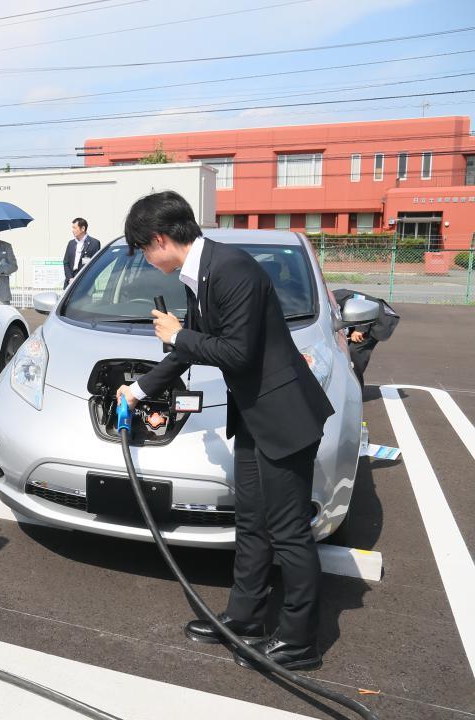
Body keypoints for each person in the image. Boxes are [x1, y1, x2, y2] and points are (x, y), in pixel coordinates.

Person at [114, 191, 334, 671]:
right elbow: (188, 352)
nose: (148, 262)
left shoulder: (231, 269)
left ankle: (300, 641)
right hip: (256, 419)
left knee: (289, 533)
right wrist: (137, 391)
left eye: (144, 251)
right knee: (251, 522)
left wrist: (178, 334)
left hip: (285, 417)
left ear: (160, 240)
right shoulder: (202, 274)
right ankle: (245, 619)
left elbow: (236, 352)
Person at [332, 288, 400, 387]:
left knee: (354, 354)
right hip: (359, 320)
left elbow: (360, 301)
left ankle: (355, 388)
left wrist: (360, 329)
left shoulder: (337, 296)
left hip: (377, 320)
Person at [63, 217, 101, 288]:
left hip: (86, 285)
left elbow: (95, 265)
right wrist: (70, 278)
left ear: (83, 229)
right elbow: (66, 262)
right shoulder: (71, 243)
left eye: (75, 228)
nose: (73, 230)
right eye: (72, 228)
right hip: (70, 283)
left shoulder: (94, 243)